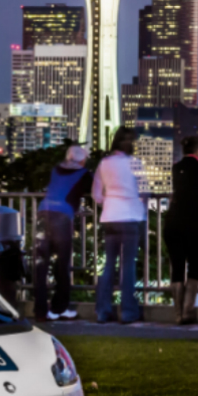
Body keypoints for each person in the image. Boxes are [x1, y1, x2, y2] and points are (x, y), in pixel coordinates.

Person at [93, 126, 148, 324]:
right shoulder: (136, 164)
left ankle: (102, 311)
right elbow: (144, 193)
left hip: (109, 217)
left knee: (109, 266)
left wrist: (110, 199)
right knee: (128, 267)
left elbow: (97, 196)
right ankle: (127, 312)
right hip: (131, 218)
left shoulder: (104, 163)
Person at [33, 144, 92, 322]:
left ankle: (40, 311)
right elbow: (95, 191)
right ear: (82, 160)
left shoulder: (55, 170)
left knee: (40, 265)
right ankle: (59, 308)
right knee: (62, 264)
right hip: (62, 219)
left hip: (43, 215)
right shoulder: (84, 174)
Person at [164, 136, 198, 324]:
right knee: (195, 265)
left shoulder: (177, 168)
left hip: (173, 221)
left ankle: (177, 313)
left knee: (177, 266)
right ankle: (187, 310)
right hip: (193, 221)